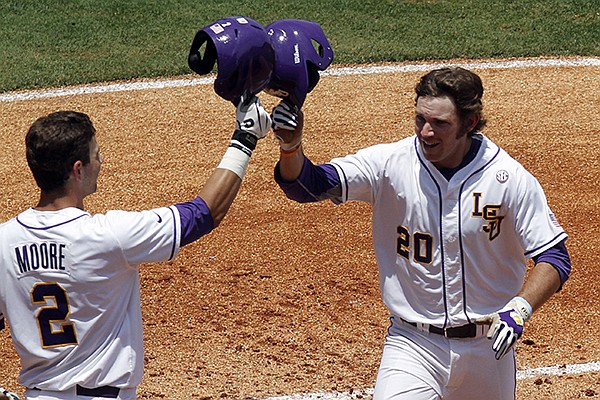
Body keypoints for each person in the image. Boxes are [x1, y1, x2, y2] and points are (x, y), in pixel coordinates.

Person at [270, 66, 571, 400]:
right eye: (420, 119)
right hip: (413, 345)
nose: (426, 132)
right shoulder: (390, 164)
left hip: (489, 349)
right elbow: (307, 186)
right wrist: (291, 147)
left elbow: (555, 257)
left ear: (469, 124)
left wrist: (520, 307)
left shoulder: (508, 178)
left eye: (440, 123)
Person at [0, 97, 271, 400]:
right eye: (96, 156)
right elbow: (204, 213)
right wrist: (245, 137)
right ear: (78, 170)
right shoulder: (107, 236)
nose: (100, 163)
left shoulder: (4, 241)